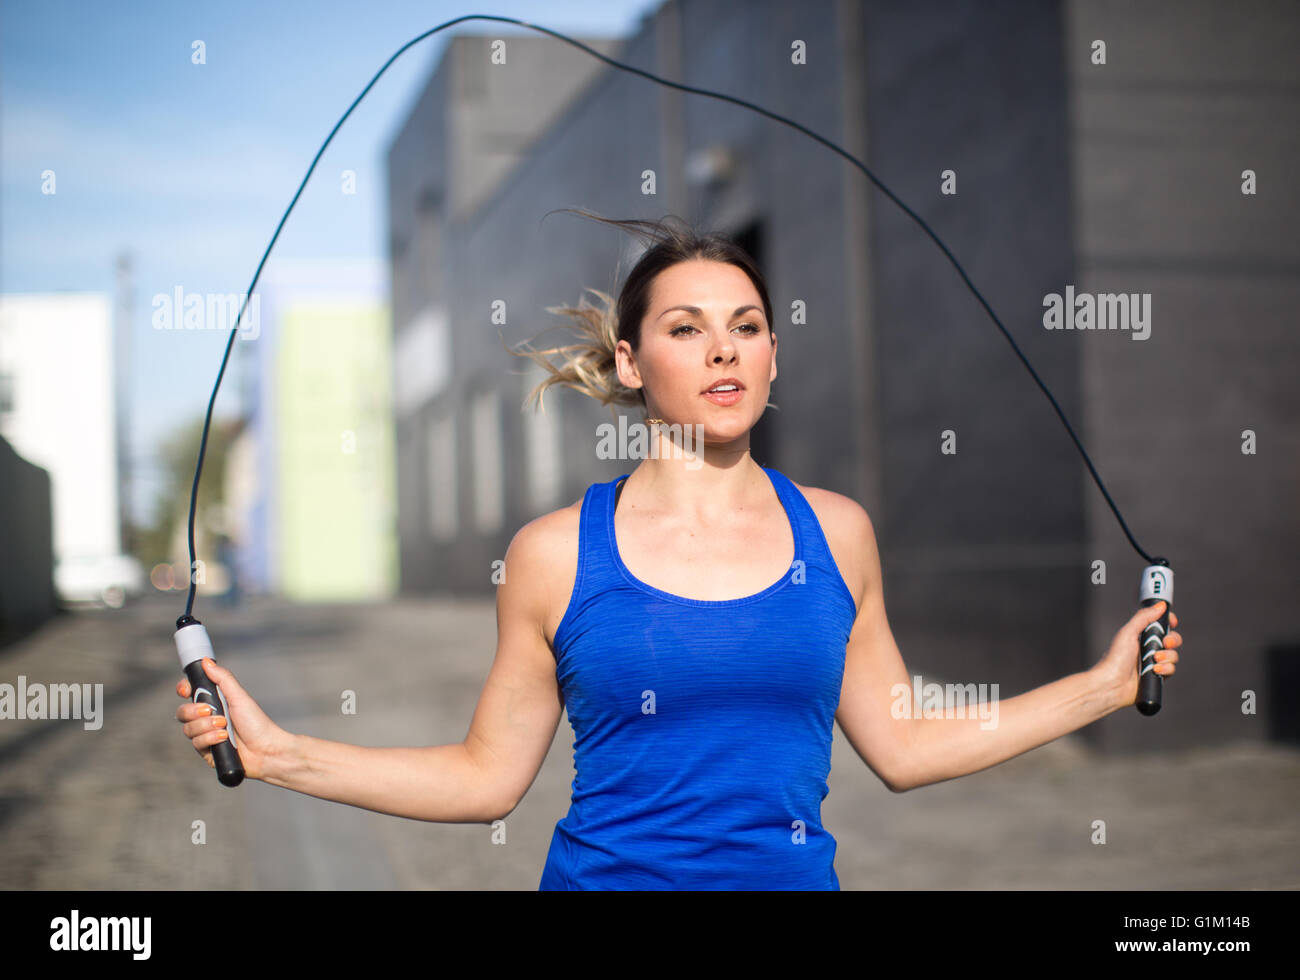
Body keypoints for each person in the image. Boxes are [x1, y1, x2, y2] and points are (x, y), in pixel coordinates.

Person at [175, 210, 1183, 890]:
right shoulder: (555, 553)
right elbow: (486, 778)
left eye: (746, 326)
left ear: (772, 354)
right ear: (628, 357)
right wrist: (279, 755)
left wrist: (1098, 687)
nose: (722, 348)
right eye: (686, 326)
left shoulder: (837, 532)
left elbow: (905, 746)